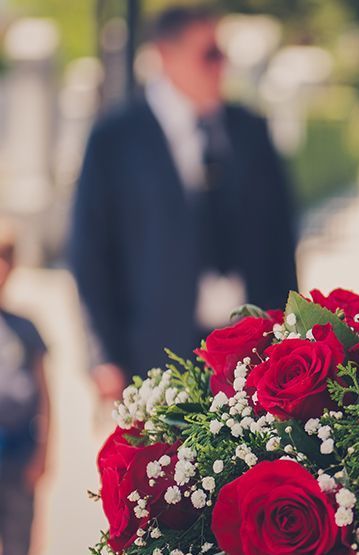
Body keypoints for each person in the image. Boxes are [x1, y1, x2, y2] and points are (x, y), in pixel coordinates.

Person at [70, 6, 297, 400]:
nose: (221, 66)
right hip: (156, 352)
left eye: (222, 53)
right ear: (166, 56)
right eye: (209, 54)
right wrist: (102, 354)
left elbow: (280, 238)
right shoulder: (114, 139)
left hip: (251, 351)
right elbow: (89, 250)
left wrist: (291, 332)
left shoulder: (250, 129)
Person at [0, 222, 49, 555]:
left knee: (19, 542)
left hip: (19, 452)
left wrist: (44, 451)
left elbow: (46, 394)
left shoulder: (25, 327)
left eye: (6, 257)